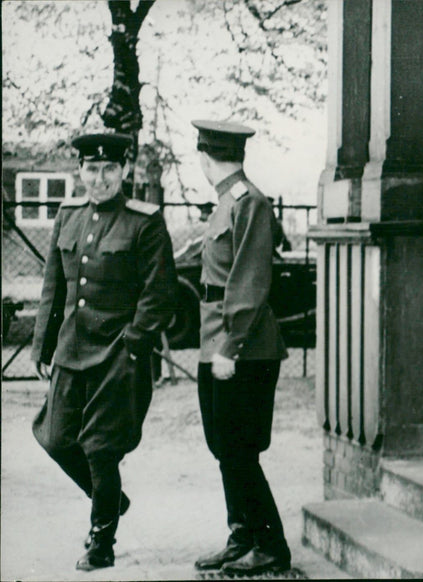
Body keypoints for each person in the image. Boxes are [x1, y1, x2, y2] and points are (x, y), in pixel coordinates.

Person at [30, 133, 178, 571]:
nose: (99, 178)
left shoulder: (145, 222)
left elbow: (159, 294)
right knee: (56, 438)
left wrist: (134, 345)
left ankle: (101, 541)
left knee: (100, 448)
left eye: (109, 169)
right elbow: (53, 287)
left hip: (116, 354)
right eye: (91, 170)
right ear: (80, 172)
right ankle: (111, 499)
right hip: (72, 349)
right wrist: (43, 344)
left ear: (125, 171)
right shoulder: (68, 216)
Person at [190, 119, 291, 576]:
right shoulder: (227, 203)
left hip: (244, 348)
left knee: (238, 447)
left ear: (204, 158)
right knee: (223, 445)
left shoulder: (249, 203)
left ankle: (270, 544)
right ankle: (242, 535)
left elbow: (249, 282)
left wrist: (229, 347)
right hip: (218, 342)